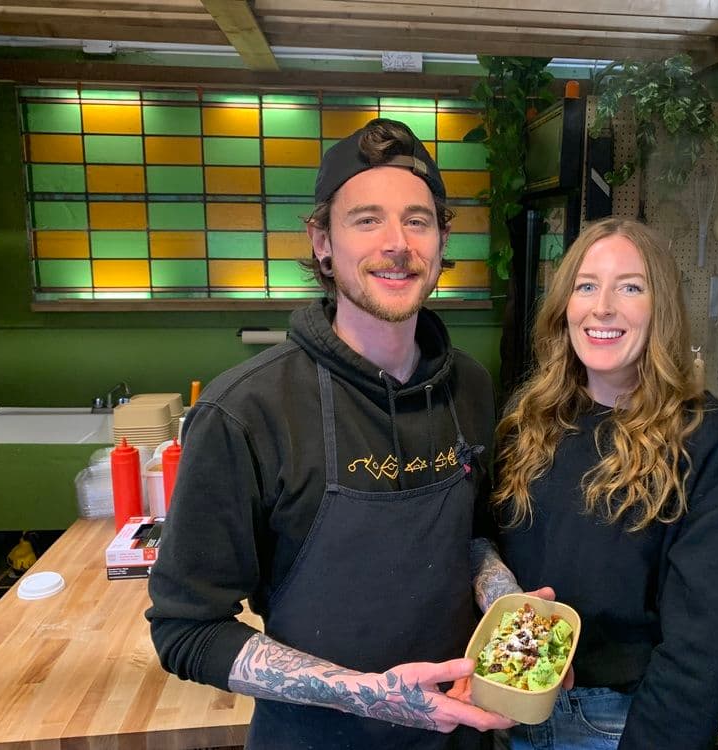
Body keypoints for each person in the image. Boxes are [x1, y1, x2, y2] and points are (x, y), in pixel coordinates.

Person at [146, 118, 515, 749]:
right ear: (322, 240)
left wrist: (512, 614)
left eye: (418, 220)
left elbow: (472, 538)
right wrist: (367, 695)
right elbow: (188, 629)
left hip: (464, 736)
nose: (397, 243)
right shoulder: (246, 412)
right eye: (367, 219)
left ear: (442, 240)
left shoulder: (471, 388)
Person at [475, 217, 718, 749]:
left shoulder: (706, 437)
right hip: (509, 705)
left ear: (661, 310)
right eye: (586, 285)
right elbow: (488, 547)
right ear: (565, 306)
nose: (603, 306)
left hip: (617, 721)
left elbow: (698, 640)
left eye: (630, 286)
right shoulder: (529, 417)